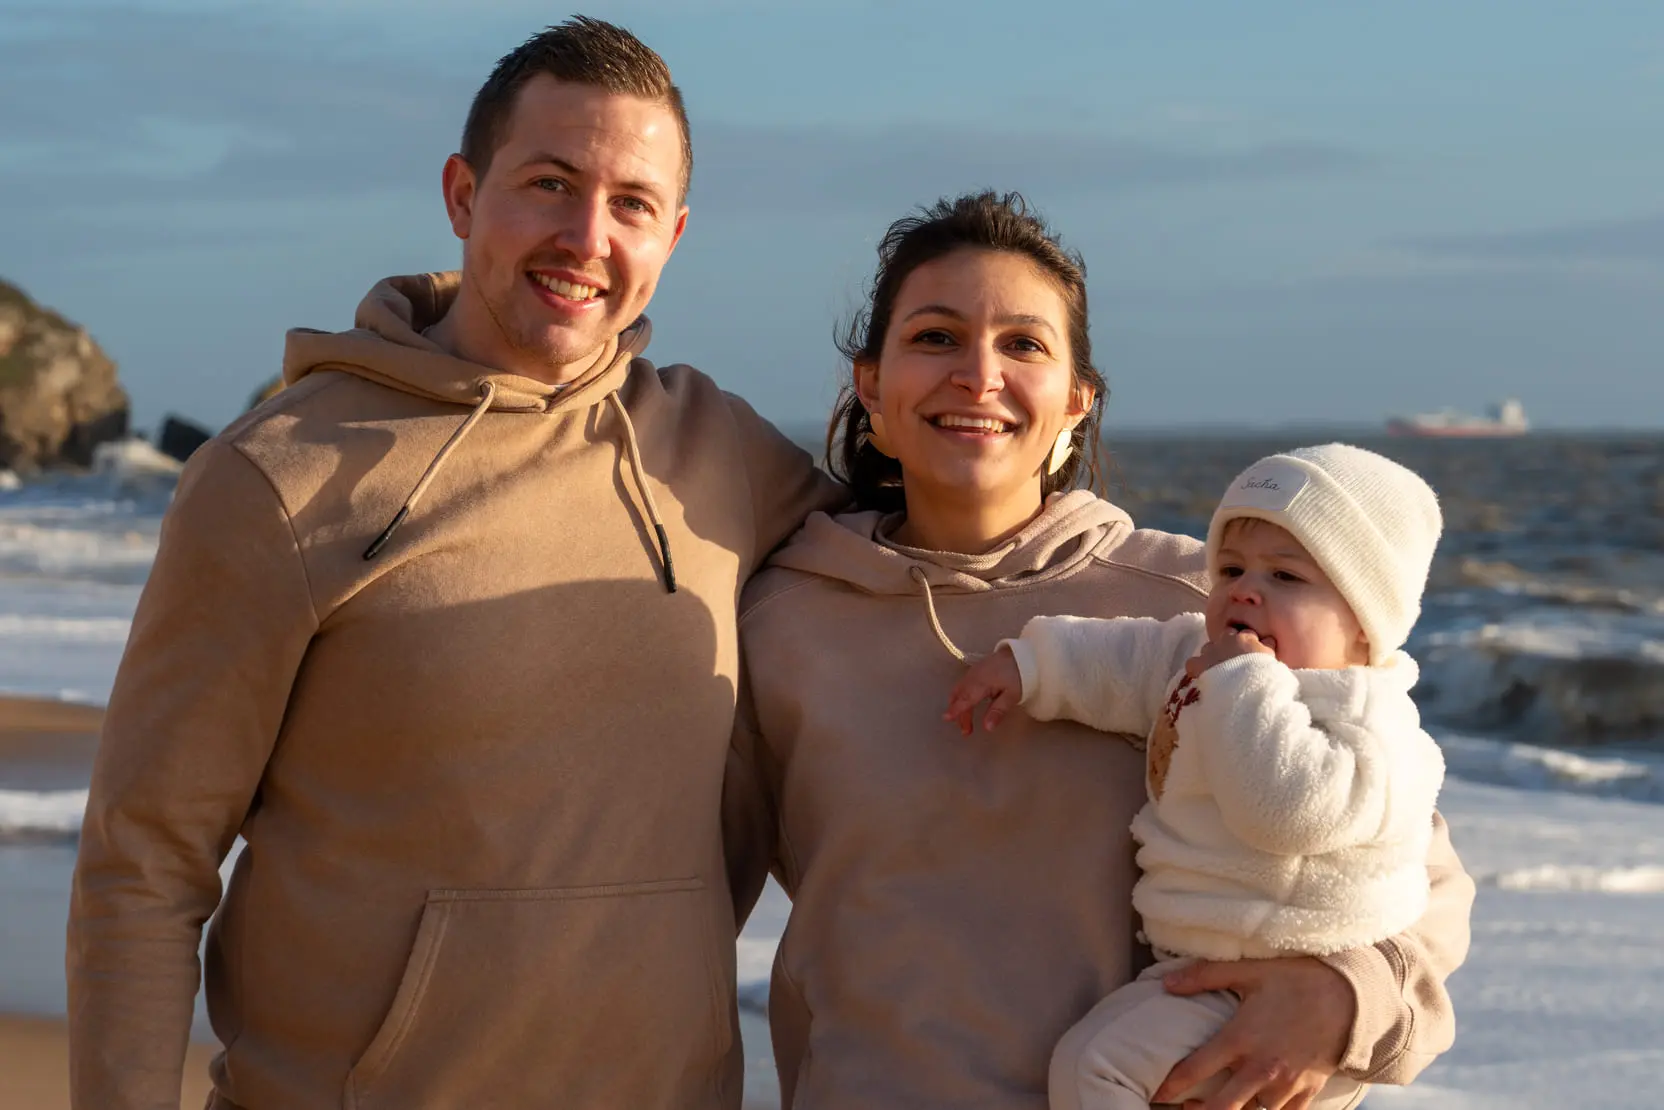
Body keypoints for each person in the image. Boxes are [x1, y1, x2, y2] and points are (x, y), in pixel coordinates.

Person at [67, 17, 839, 1110]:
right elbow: (143, 865)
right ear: (462, 195)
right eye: (548, 182)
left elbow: (938, 572)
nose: (585, 235)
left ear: (672, 233)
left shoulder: (725, 459)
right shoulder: (275, 478)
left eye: (629, 205)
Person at [723, 192, 1475, 1110]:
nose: (978, 374)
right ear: (870, 386)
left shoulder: (1207, 606)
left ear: (1078, 401)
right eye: (935, 337)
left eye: (1024, 345)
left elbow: (1410, 869)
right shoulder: (779, 624)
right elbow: (677, 897)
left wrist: (1343, 1001)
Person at [946, 443, 1448, 1110]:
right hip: (1203, 964)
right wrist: (1033, 666)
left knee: (1097, 1070)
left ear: (1363, 622)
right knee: (1097, 1062)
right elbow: (1123, 658)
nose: (1245, 589)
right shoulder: (1203, 659)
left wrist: (1245, 682)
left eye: (1287, 578)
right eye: (1233, 568)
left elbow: (1287, 812)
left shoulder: (1371, 724)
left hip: (1284, 979)